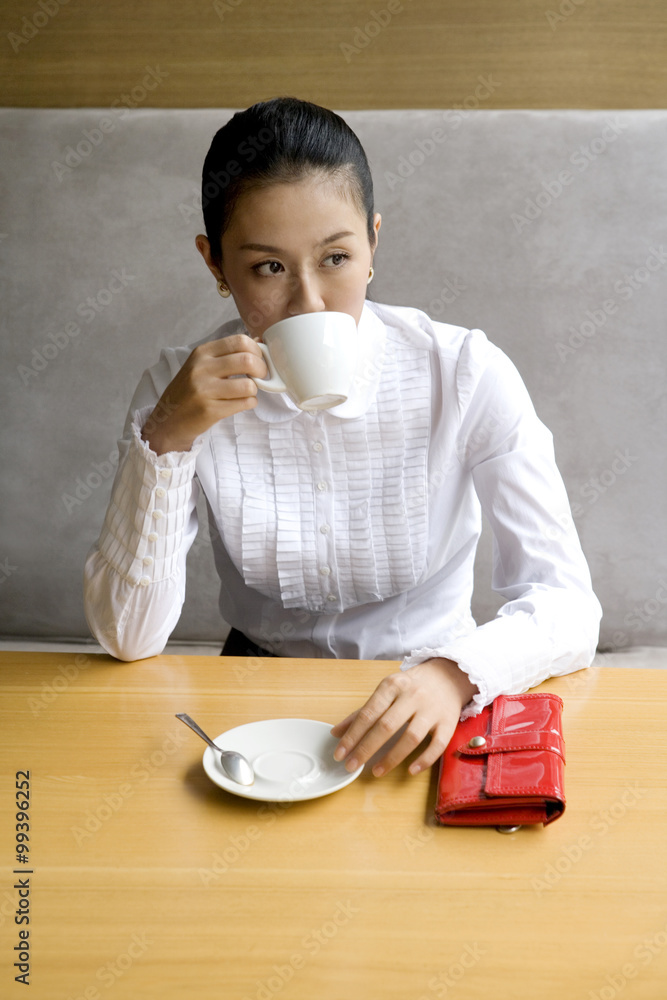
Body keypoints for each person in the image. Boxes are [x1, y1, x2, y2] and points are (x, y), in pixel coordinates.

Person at [83, 96, 602, 780]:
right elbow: (128, 638)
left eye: (334, 257)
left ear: (373, 243)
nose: (309, 303)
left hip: (434, 691)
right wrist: (168, 438)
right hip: (255, 702)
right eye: (268, 267)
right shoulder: (176, 390)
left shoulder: (465, 372)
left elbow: (567, 606)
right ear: (215, 265)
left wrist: (453, 676)